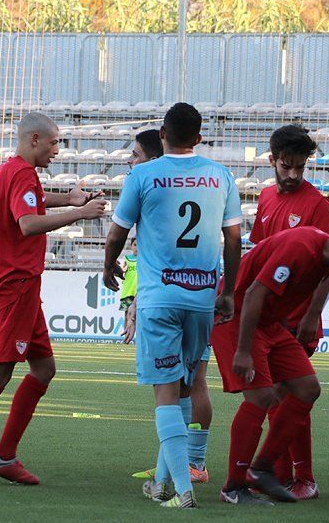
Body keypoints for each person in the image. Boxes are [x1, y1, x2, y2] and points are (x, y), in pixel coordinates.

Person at [0, 112, 107, 488]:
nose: (58, 150)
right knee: (0, 369)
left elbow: (31, 201)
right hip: (14, 284)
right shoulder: (23, 174)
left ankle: (4, 455)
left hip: (19, 283)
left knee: (44, 369)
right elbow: (27, 222)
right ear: (34, 141)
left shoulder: (8, 171)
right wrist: (79, 212)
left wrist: (69, 199)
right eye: (54, 142)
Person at [104, 103, 243, 509]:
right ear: (198, 138)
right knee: (185, 386)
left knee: (166, 392)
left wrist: (108, 264)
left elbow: (117, 233)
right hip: (202, 300)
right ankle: (164, 483)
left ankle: (182, 492)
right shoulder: (220, 176)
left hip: (159, 298)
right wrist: (228, 291)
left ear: (162, 133)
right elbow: (233, 241)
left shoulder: (143, 175)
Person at [213, 226, 329, 505]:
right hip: (238, 315)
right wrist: (244, 350)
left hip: (269, 323)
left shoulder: (325, 261)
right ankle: (233, 487)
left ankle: (262, 468)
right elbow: (252, 294)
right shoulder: (301, 247)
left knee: (307, 388)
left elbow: (279, 296)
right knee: (261, 396)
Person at [247, 124, 329, 500]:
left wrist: (311, 316)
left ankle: (302, 477)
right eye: (287, 166)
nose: (294, 174)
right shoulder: (266, 198)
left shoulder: (317, 205)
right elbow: (258, 254)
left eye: (300, 167)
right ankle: (282, 475)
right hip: (267, 317)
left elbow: (326, 266)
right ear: (272, 161)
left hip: (297, 320)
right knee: (275, 397)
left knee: (291, 394)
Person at [124, 129, 213, 484]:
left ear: (153, 156)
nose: (131, 161)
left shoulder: (151, 183)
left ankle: (190, 466)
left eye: (135, 155)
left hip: (168, 298)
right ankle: (178, 466)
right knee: (188, 381)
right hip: (200, 293)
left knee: (186, 383)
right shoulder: (191, 185)